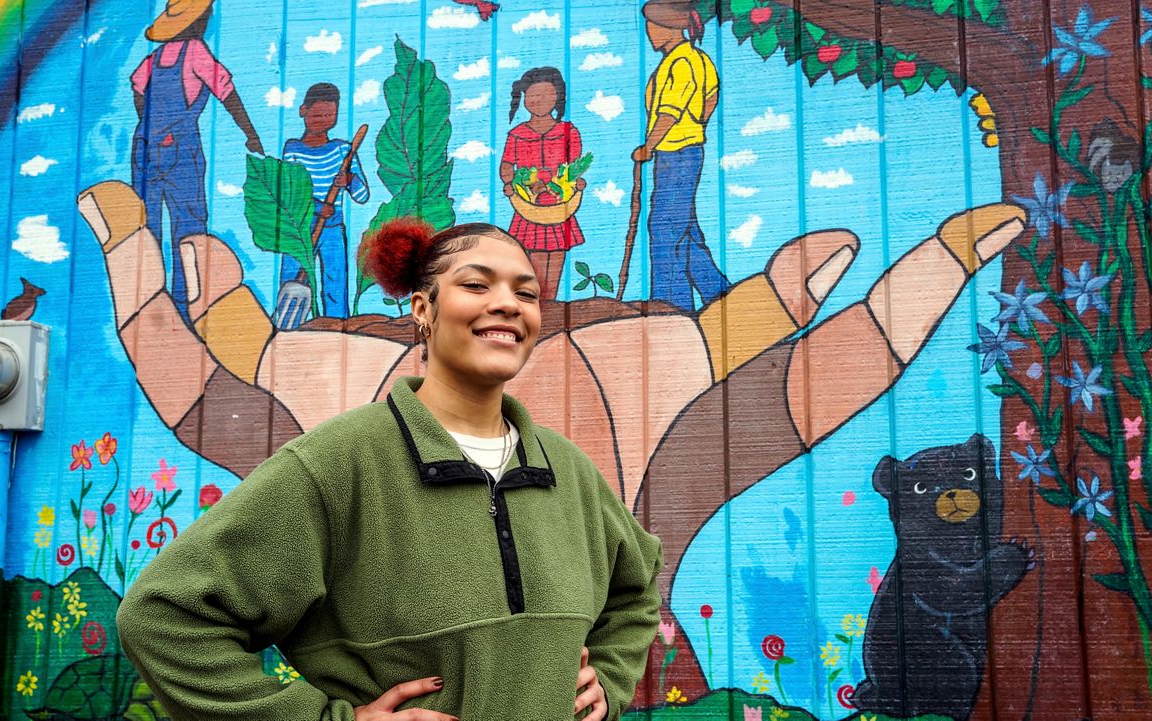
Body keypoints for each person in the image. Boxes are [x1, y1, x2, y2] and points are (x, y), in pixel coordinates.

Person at [115, 218, 664, 720]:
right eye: (477, 285)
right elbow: (163, 617)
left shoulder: (568, 471)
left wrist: (611, 682)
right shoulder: (337, 463)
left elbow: (635, 591)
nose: (508, 304)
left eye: (526, 293)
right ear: (422, 309)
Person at [131, 0, 263, 324]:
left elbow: (137, 89)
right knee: (188, 228)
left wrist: (151, 127)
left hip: (145, 149)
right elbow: (226, 92)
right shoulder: (195, 51)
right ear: (198, 21)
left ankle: (149, 306)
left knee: (147, 228)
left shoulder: (155, 57)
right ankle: (183, 308)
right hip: (180, 151)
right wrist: (250, 133)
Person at [634, 0, 727, 311]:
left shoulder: (681, 63)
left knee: (664, 228)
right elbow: (711, 95)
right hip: (683, 152)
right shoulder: (696, 59)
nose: (648, 32)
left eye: (652, 25)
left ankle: (671, 307)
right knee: (683, 229)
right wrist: (699, 121)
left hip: (676, 154)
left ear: (670, 27)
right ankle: (718, 293)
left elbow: (668, 114)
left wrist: (649, 146)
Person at [282, 82, 370, 319]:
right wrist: (320, 207)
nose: (324, 119)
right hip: (298, 228)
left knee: (335, 283)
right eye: (318, 114)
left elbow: (362, 195)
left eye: (330, 115)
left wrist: (349, 179)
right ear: (303, 111)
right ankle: (289, 330)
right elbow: (291, 191)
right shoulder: (293, 150)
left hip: (331, 229)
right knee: (292, 278)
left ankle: (337, 326)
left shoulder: (342, 150)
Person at [500, 67, 586, 301]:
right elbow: (507, 165)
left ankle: (552, 305)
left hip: (559, 204)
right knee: (535, 259)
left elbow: (574, 166)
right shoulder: (517, 134)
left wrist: (576, 181)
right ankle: (540, 305)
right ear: (524, 98)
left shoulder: (568, 132)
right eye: (533, 96)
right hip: (529, 206)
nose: (539, 101)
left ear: (558, 96)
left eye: (547, 95)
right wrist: (510, 182)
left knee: (557, 256)